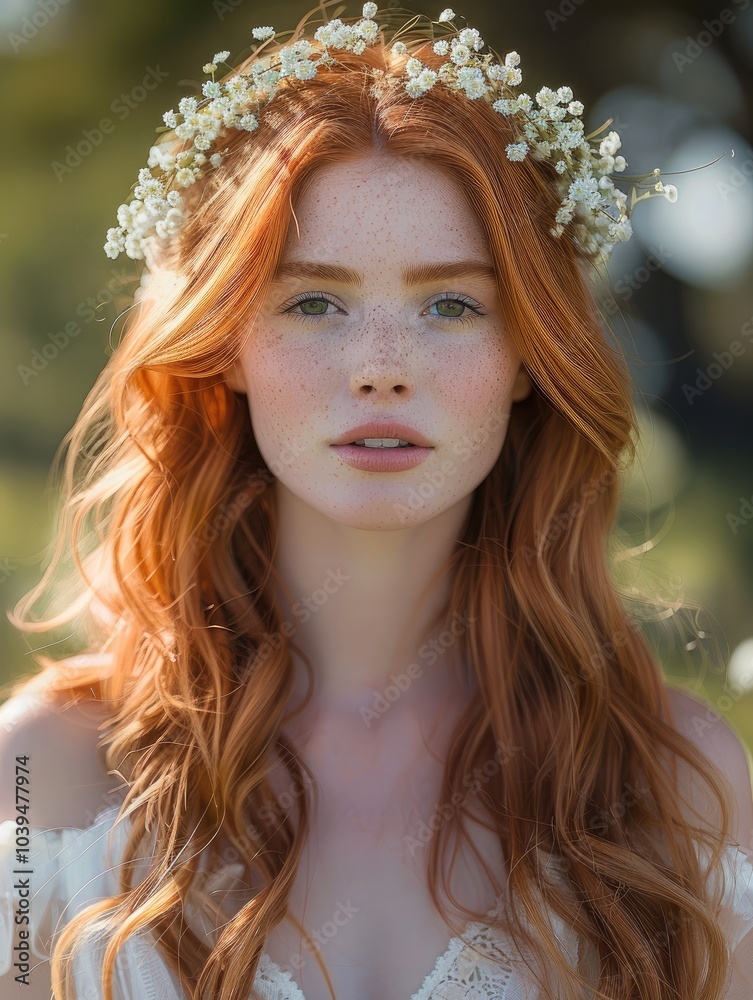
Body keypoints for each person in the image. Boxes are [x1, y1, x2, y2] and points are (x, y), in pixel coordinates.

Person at [1, 3, 752, 999]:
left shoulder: (677, 777)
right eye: (314, 302)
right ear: (228, 345)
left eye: (452, 304)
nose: (383, 369)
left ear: (530, 354)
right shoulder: (39, 774)